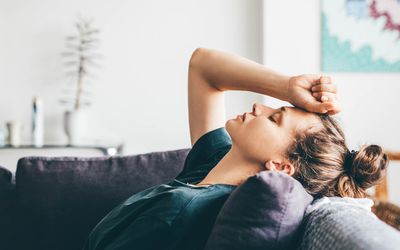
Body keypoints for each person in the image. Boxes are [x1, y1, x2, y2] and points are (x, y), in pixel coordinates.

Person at [83, 48, 388, 250]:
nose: (259, 105)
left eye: (275, 118)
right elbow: (203, 65)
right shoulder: (213, 164)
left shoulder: (182, 210)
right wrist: (288, 86)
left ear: (280, 165)